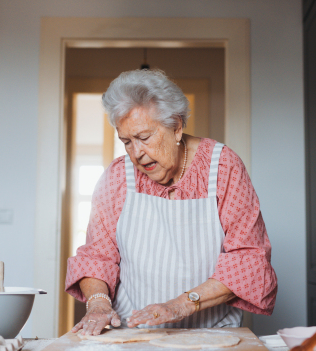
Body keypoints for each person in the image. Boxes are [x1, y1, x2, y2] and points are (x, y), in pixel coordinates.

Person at [66, 69, 277, 336]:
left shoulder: (222, 167)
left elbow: (248, 258)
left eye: (144, 137)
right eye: (126, 142)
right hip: (135, 333)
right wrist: (98, 303)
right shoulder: (117, 177)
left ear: (176, 127)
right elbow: (97, 256)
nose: (137, 153)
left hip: (212, 334)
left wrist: (179, 305)